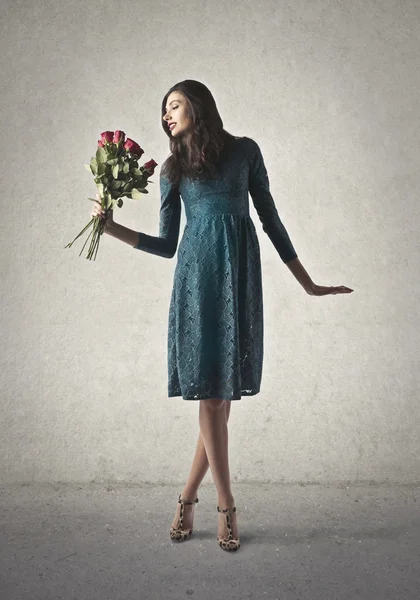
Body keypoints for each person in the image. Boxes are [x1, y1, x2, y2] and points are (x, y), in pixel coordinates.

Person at [91, 79, 353, 553]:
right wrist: (110, 229)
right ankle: (226, 505)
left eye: (173, 105)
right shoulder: (172, 169)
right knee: (213, 399)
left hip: (238, 277)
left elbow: (271, 219)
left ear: (198, 103)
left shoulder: (245, 152)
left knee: (219, 399)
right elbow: (166, 245)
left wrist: (307, 282)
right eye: (163, 111)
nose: (167, 115)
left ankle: (186, 497)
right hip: (197, 278)